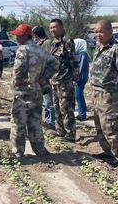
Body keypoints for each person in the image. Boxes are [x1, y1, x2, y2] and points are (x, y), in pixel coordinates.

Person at [9, 24, 59, 158]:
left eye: (18, 35)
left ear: (25, 36)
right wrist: (43, 78)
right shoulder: (41, 49)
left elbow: (19, 69)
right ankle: (40, 150)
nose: (16, 37)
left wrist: (18, 80)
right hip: (37, 92)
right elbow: (55, 64)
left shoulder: (23, 50)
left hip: (22, 93)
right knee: (35, 122)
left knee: (18, 123)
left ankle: (17, 151)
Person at [89, 20, 118, 166]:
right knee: (99, 126)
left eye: (101, 31)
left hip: (109, 96)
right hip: (96, 93)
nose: (97, 34)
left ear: (110, 31)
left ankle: (117, 156)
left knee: (111, 128)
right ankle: (108, 153)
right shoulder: (98, 47)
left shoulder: (115, 49)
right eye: (95, 32)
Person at [44, 19, 79, 142]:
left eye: (55, 27)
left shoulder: (67, 42)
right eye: (51, 28)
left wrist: (75, 78)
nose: (52, 30)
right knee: (57, 107)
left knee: (67, 109)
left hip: (65, 81)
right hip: (54, 81)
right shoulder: (53, 44)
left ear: (61, 28)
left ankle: (70, 134)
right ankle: (60, 131)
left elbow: (73, 61)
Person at [32, 26, 55, 130]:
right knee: (43, 101)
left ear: (36, 34)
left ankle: (51, 122)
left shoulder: (47, 43)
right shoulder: (38, 44)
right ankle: (46, 120)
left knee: (48, 100)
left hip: (46, 77)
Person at [74, 38, 90, 121]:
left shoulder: (83, 54)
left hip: (81, 78)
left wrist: (76, 78)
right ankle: (81, 113)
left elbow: (80, 67)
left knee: (78, 95)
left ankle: (82, 115)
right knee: (78, 95)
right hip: (80, 78)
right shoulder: (79, 53)